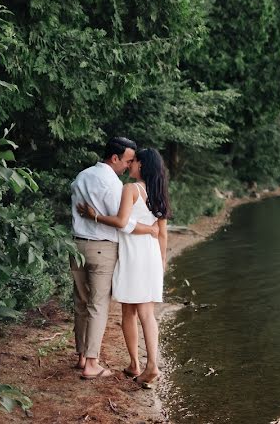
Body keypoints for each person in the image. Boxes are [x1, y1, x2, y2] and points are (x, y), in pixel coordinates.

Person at [78, 148, 171, 389]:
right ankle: (135, 365)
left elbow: (121, 223)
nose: (130, 165)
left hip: (133, 255)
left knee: (132, 312)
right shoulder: (158, 192)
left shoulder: (131, 189)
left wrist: (94, 216)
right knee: (142, 312)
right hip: (151, 256)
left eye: (134, 161)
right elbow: (162, 234)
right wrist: (161, 262)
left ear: (142, 165)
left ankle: (150, 366)